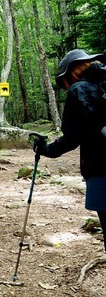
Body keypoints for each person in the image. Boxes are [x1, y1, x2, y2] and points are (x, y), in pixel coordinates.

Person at [34, 49, 106, 250]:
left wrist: (46, 149)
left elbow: (72, 138)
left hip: (101, 170)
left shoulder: (79, 90)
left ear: (71, 73)